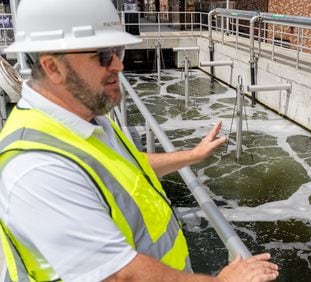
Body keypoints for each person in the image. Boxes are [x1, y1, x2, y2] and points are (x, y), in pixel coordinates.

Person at [0, 0, 279, 281]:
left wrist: (192, 156)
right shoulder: (37, 167)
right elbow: (120, 276)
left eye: (118, 51)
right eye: (103, 55)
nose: (120, 64)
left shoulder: (84, 118)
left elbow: (128, 168)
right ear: (53, 68)